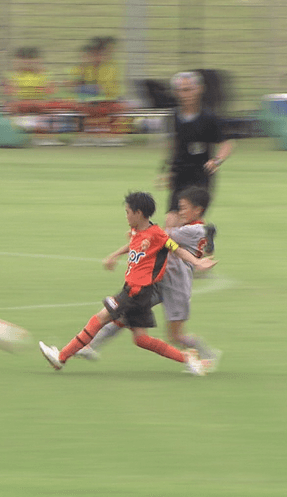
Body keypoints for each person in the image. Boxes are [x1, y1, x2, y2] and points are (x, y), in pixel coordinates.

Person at [38, 191, 216, 375]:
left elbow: (177, 249)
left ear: (138, 213)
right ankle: (187, 359)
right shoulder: (137, 231)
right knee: (141, 339)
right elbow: (133, 243)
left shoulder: (157, 235)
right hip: (139, 292)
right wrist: (114, 255)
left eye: (127, 212)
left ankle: (61, 357)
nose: (126, 216)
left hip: (136, 292)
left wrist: (196, 262)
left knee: (99, 318)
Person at [158, 70, 234, 250]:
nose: (186, 94)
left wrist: (216, 161)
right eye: (181, 90)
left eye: (189, 89)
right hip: (180, 175)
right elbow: (172, 145)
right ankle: (203, 237)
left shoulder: (209, 118)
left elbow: (227, 143)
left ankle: (199, 248)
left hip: (200, 175)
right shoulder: (173, 117)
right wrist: (166, 170)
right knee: (171, 222)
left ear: (199, 89)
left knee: (187, 221)